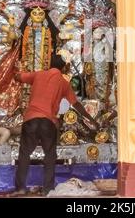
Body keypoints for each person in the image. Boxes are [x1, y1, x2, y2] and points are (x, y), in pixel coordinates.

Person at [11, 54, 98, 196]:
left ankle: (20, 188)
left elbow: (19, 77)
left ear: (49, 65)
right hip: (48, 122)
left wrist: (16, 74)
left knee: (24, 154)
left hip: (31, 119)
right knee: (50, 156)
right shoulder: (63, 83)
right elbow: (76, 104)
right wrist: (91, 120)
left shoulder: (38, 75)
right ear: (63, 68)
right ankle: (47, 190)